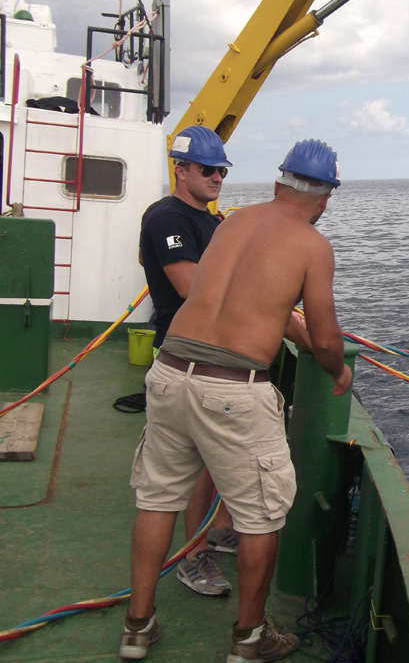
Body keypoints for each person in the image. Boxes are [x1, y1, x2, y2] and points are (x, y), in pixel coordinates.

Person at [119, 139, 352, 662]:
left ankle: (137, 627)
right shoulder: (313, 245)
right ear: (325, 198)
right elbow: (325, 338)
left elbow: (234, 298)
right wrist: (337, 371)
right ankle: (249, 639)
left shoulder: (232, 223)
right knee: (260, 519)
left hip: (169, 372)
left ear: (278, 183)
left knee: (156, 499)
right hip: (231, 388)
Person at [138, 126, 238, 598]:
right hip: (183, 359)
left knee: (218, 460)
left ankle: (216, 532)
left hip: (217, 355)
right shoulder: (166, 218)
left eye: (222, 171)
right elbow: (190, 287)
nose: (217, 177)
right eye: (207, 169)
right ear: (181, 170)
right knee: (192, 468)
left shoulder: (211, 222)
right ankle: (192, 557)